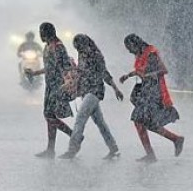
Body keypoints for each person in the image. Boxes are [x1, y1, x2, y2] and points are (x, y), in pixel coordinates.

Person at [120, 34, 184, 163]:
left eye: (129, 47)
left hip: (154, 92)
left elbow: (162, 70)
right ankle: (174, 140)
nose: (129, 51)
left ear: (135, 44)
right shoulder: (140, 54)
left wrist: (147, 75)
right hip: (146, 91)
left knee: (139, 120)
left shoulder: (151, 54)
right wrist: (128, 75)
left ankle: (154, 152)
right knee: (146, 123)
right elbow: (140, 70)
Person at [59, 34, 124, 160]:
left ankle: (72, 149)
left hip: (95, 91)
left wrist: (115, 88)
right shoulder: (82, 55)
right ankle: (114, 148)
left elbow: (104, 73)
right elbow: (81, 72)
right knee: (100, 123)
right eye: (77, 48)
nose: (79, 50)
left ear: (85, 44)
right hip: (86, 91)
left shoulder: (96, 56)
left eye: (79, 47)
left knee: (80, 118)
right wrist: (71, 83)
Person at [25, 22, 74, 158]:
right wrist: (34, 73)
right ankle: (50, 149)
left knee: (49, 115)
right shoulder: (48, 46)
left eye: (42, 32)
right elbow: (50, 68)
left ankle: (74, 135)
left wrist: (67, 82)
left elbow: (63, 67)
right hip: (50, 85)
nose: (40, 35)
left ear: (48, 33)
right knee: (50, 116)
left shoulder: (57, 47)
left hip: (58, 85)